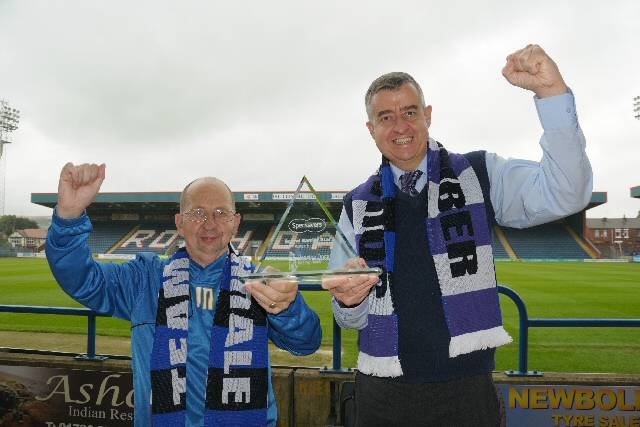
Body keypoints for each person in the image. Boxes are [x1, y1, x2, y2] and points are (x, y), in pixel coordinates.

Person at [322, 44, 592, 426]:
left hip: (466, 393)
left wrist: (551, 95)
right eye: (386, 117)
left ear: (428, 116)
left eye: (410, 112)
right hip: (381, 393)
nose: (400, 126)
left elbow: (567, 191)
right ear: (372, 130)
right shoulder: (355, 205)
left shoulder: (479, 174)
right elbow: (348, 319)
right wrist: (349, 303)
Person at [46, 164, 322, 427]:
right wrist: (69, 216)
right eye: (198, 213)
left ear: (236, 222)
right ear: (179, 222)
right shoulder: (144, 279)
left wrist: (288, 308)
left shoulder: (259, 282)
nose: (210, 224)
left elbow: (306, 343)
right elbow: (81, 280)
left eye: (221, 212)